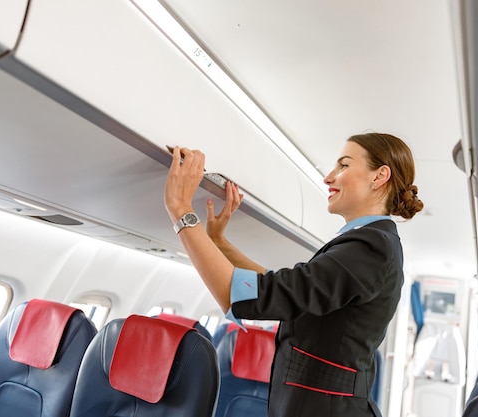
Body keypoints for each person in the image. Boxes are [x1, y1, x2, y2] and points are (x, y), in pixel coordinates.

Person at [164, 132, 424, 417]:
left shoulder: (371, 248)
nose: (329, 177)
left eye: (344, 165)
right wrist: (219, 243)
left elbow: (252, 297)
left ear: (379, 176)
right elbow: (283, 289)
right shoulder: (369, 243)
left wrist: (181, 208)